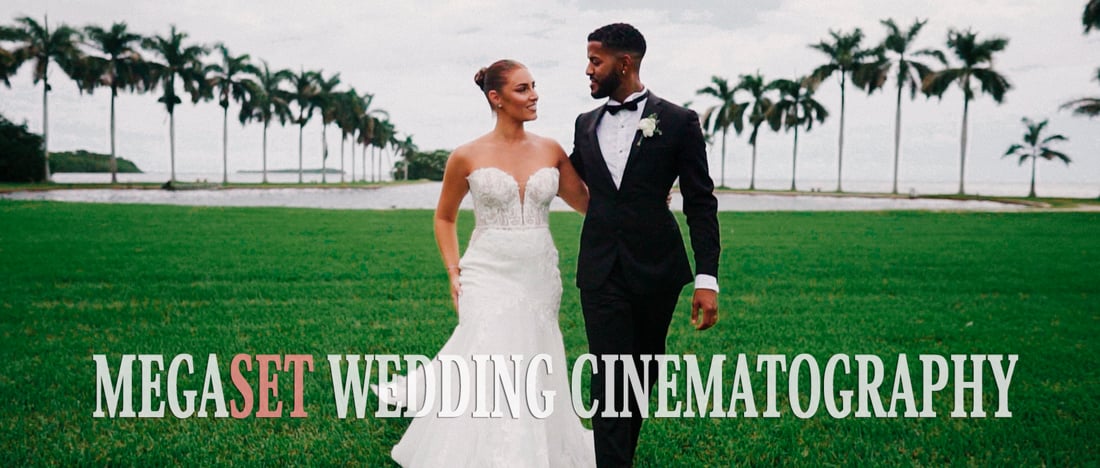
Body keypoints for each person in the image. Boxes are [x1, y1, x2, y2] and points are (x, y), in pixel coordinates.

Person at [373, 59, 596, 468]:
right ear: (496, 98)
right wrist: (454, 273)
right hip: (486, 271)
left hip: (539, 272)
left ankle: (541, 444)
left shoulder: (550, 149)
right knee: (491, 351)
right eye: (523, 89)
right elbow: (444, 217)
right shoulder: (466, 156)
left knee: (534, 350)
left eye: (534, 86)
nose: (534, 95)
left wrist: (645, 198)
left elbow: (588, 204)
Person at [569, 23, 721, 467]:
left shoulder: (678, 121)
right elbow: (567, 177)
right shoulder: (584, 125)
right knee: (609, 376)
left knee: (640, 375)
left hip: (657, 270)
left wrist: (707, 278)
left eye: (595, 61)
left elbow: (700, 202)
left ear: (625, 63)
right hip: (600, 271)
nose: (588, 70)